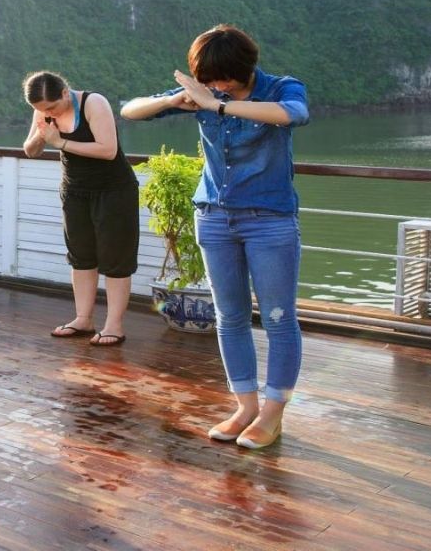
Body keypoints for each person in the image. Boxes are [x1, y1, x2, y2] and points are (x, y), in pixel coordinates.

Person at [120, 24, 309, 449]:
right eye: (209, 81)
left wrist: (219, 108)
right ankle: (245, 407)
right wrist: (175, 100)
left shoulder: (280, 88)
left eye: (222, 79)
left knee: (279, 318)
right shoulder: (204, 91)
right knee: (229, 316)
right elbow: (130, 110)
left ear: (244, 68)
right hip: (214, 217)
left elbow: (292, 114)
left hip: (270, 219)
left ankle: (273, 414)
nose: (216, 87)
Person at [22, 71, 140, 347]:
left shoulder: (93, 103)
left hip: (113, 190)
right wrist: (42, 135)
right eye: (40, 109)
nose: (46, 112)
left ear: (65, 92)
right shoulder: (43, 108)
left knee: (115, 259)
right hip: (74, 191)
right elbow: (30, 150)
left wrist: (59, 142)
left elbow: (108, 149)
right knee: (81, 257)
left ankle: (114, 325)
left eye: (51, 107)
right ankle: (83, 319)